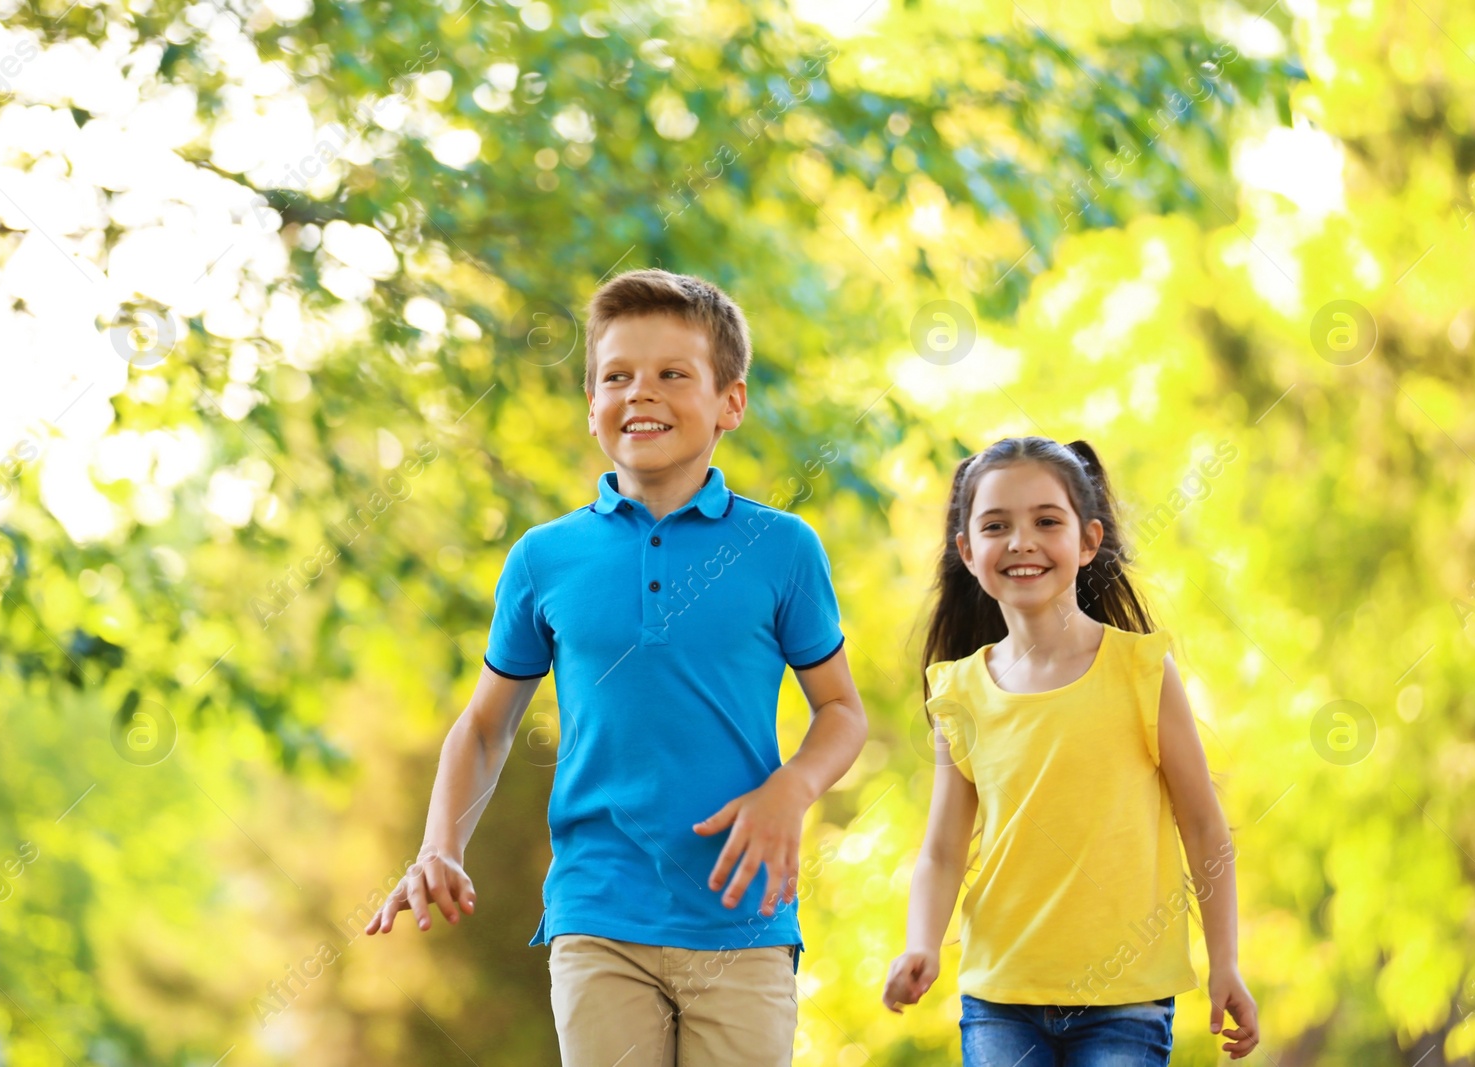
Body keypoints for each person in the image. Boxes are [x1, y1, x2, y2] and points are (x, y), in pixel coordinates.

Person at [365, 268, 868, 1066]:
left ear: (730, 402)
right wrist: (440, 845)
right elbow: (485, 725)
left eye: (674, 374)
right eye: (617, 376)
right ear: (592, 404)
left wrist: (792, 787)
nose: (643, 393)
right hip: (599, 910)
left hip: (742, 915)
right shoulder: (544, 558)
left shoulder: (782, 549)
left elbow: (842, 710)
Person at [881, 436, 1259, 1065]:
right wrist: (921, 943)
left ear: (1087, 541)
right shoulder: (959, 689)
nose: (1021, 541)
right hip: (1000, 995)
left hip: (1126, 999)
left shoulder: (1141, 670)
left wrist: (1227, 963)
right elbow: (943, 850)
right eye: (997, 525)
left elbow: (1203, 825)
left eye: (1045, 522)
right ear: (968, 552)